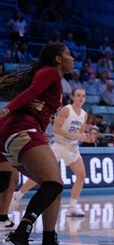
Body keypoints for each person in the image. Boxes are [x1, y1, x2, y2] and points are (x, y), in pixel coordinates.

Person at [0, 41, 77, 245]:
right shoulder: (50, 72)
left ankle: (50, 242)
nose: (73, 58)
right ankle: (20, 235)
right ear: (58, 58)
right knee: (53, 183)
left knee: (53, 187)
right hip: (22, 129)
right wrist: (6, 109)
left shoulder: (50, 76)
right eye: (69, 54)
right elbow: (32, 91)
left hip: (14, 134)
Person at [10, 89, 95, 217]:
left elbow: (80, 133)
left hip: (71, 148)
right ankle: (17, 196)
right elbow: (56, 129)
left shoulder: (84, 114)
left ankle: (72, 207)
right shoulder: (66, 110)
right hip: (58, 145)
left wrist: (84, 137)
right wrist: (75, 136)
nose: (81, 98)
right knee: (40, 174)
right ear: (73, 97)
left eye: (83, 96)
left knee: (81, 175)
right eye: (78, 95)